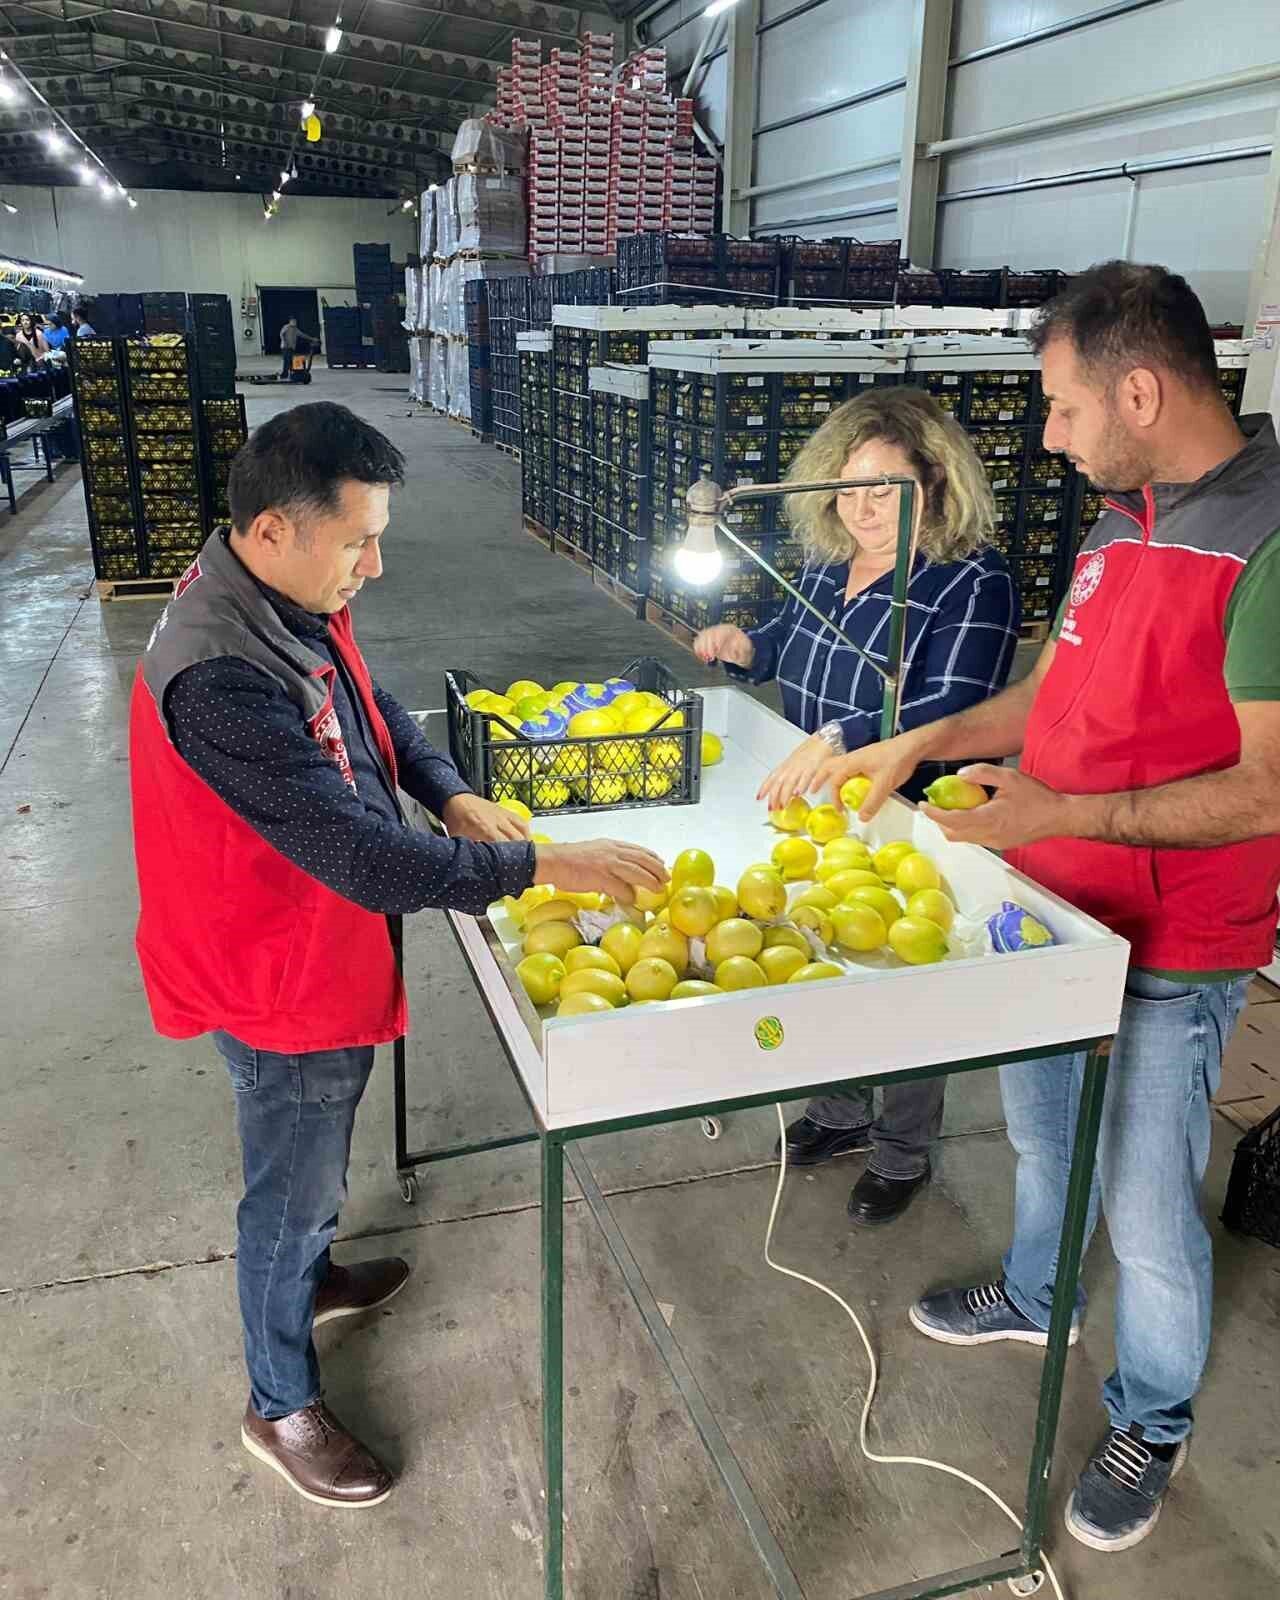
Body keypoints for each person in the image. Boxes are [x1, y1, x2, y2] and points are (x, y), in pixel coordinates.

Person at [814, 261, 1280, 1554]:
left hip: (1173, 946)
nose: (1052, 435)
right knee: (1044, 1135)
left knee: (1145, 1203)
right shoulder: (1121, 518)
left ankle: (1155, 1412)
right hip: (1051, 909)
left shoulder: (1267, 540)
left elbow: (1264, 794)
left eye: (1065, 407)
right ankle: (1035, 1292)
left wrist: (1055, 814)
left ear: (1140, 386)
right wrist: (920, 743)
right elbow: (1046, 698)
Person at [128, 401, 665, 1510]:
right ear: (275, 527)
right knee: (285, 1181)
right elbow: (366, 862)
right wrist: (543, 869)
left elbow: (374, 716)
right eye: (356, 539)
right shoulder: (220, 672)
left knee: (314, 1159)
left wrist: (453, 791)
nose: (373, 565)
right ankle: (279, 1403)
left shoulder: (279, 594)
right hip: (270, 966)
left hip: (311, 944)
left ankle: (315, 1270)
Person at [693, 387, 1019, 1225]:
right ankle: (839, 1112)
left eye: (886, 487)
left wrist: (837, 738)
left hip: (903, 814)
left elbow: (956, 702)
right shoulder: (829, 564)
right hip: (816, 809)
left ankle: (902, 1150)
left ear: (935, 483)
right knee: (828, 952)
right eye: (848, 487)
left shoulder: (968, 580)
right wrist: (745, 647)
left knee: (906, 980)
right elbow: (792, 641)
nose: (863, 507)